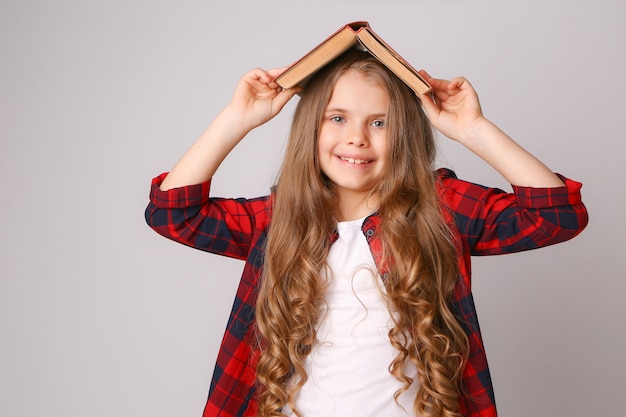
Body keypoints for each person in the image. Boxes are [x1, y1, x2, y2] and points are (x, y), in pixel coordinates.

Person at [145, 50, 588, 417]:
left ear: (406, 135)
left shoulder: (440, 209)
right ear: (310, 129)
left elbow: (556, 217)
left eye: (379, 123)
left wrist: (473, 130)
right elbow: (173, 215)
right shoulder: (278, 220)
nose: (356, 138)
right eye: (337, 118)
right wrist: (237, 118)